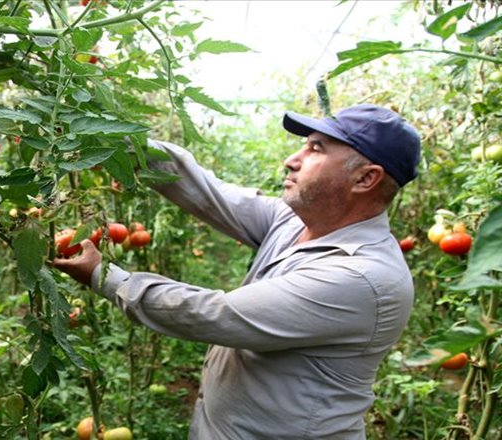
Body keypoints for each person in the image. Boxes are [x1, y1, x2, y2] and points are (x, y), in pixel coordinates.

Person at [54, 104, 421, 439]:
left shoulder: (363, 277)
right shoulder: (294, 222)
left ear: (365, 179)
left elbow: (213, 314)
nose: (291, 160)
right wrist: (115, 141)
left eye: (316, 150)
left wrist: (104, 275)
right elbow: (204, 189)